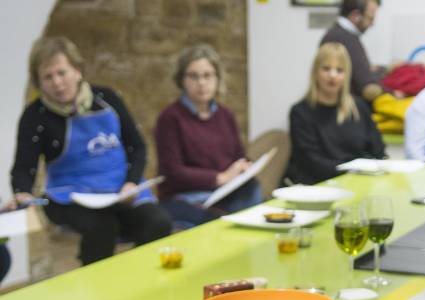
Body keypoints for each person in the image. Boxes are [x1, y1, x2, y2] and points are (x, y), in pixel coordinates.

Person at [11, 37, 171, 265]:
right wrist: (22, 193)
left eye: (62, 73)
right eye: (48, 77)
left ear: (77, 70)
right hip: (69, 197)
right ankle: (96, 292)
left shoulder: (108, 99)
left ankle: (140, 280)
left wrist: (132, 182)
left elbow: (137, 148)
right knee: (103, 227)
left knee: (158, 222)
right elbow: (23, 168)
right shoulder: (34, 116)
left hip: (120, 190)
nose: (57, 83)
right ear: (39, 82)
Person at [155, 44, 260, 227]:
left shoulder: (226, 115)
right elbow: (173, 173)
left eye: (207, 75)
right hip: (185, 198)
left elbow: (238, 155)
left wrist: (244, 166)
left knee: (254, 191)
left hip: (223, 192)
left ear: (217, 78)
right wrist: (219, 178)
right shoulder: (170, 118)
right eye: (193, 76)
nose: (201, 82)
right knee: (223, 222)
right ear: (182, 80)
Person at [287, 42, 386, 185]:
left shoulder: (359, 108)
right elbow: (312, 162)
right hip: (318, 187)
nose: (332, 75)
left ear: (346, 75)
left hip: (361, 182)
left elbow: (378, 150)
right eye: (326, 69)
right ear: (315, 72)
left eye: (339, 70)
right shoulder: (300, 113)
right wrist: (351, 169)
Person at [321, 0, 383, 103]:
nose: (372, 24)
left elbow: (361, 70)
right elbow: (366, 84)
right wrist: (394, 92)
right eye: (370, 18)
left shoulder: (339, 35)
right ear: (356, 16)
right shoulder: (344, 39)